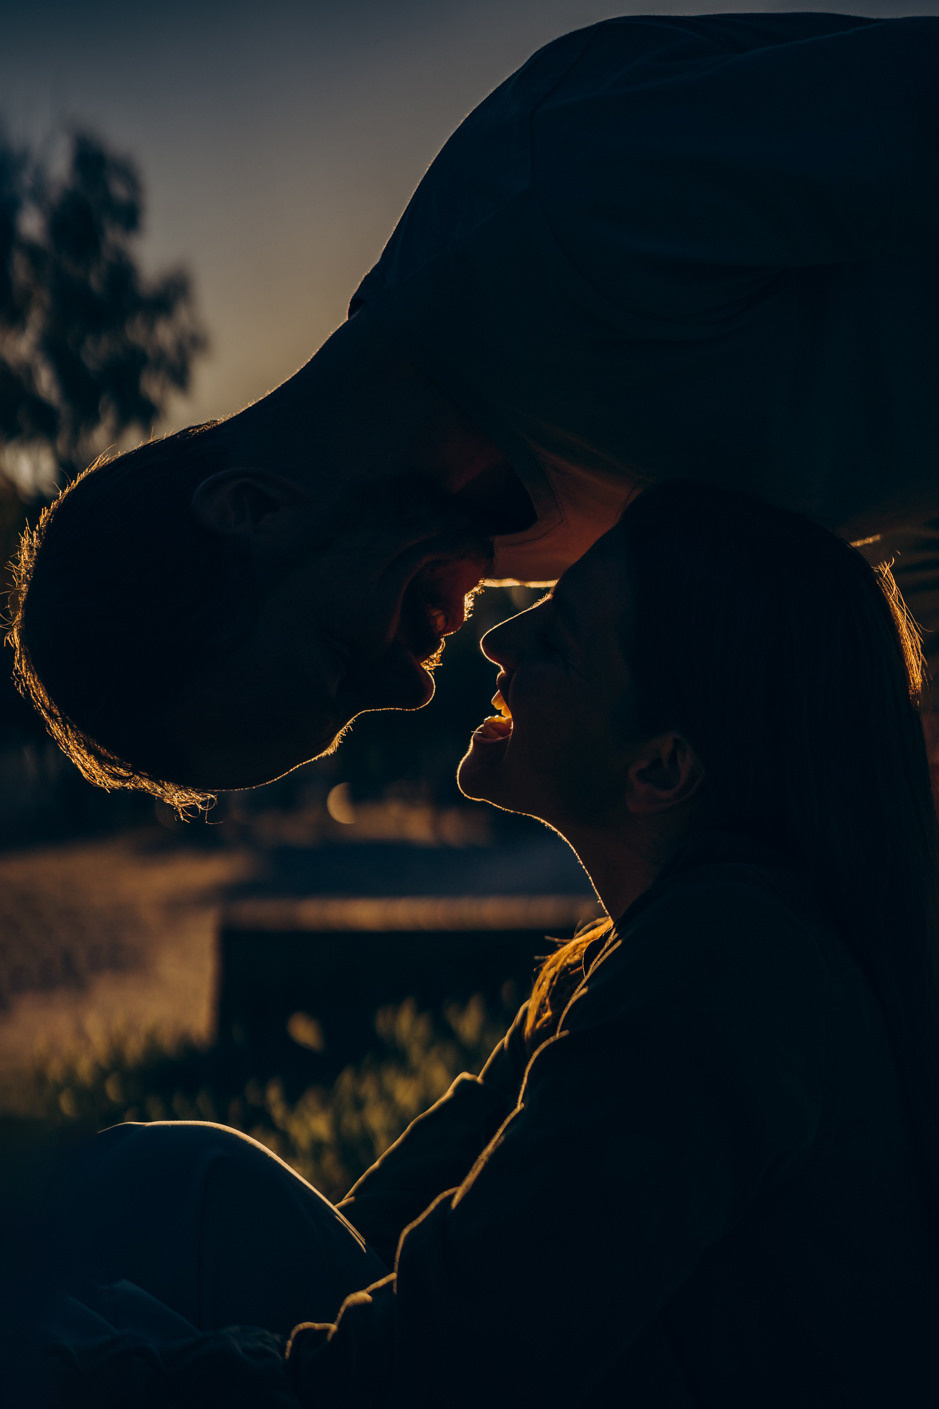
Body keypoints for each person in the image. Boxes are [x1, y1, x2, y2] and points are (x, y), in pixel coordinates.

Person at [49, 482, 939, 1405]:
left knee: (160, 1198)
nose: (497, 640)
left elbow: (452, 1357)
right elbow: (388, 1235)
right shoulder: (627, 956)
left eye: (556, 643)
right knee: (180, 1193)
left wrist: (103, 1375)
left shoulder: (724, 969)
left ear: (659, 766)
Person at [8, 11, 939, 810]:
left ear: (250, 506)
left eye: (337, 660)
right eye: (355, 709)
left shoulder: (563, 201)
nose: (414, 692)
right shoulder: (495, 548)